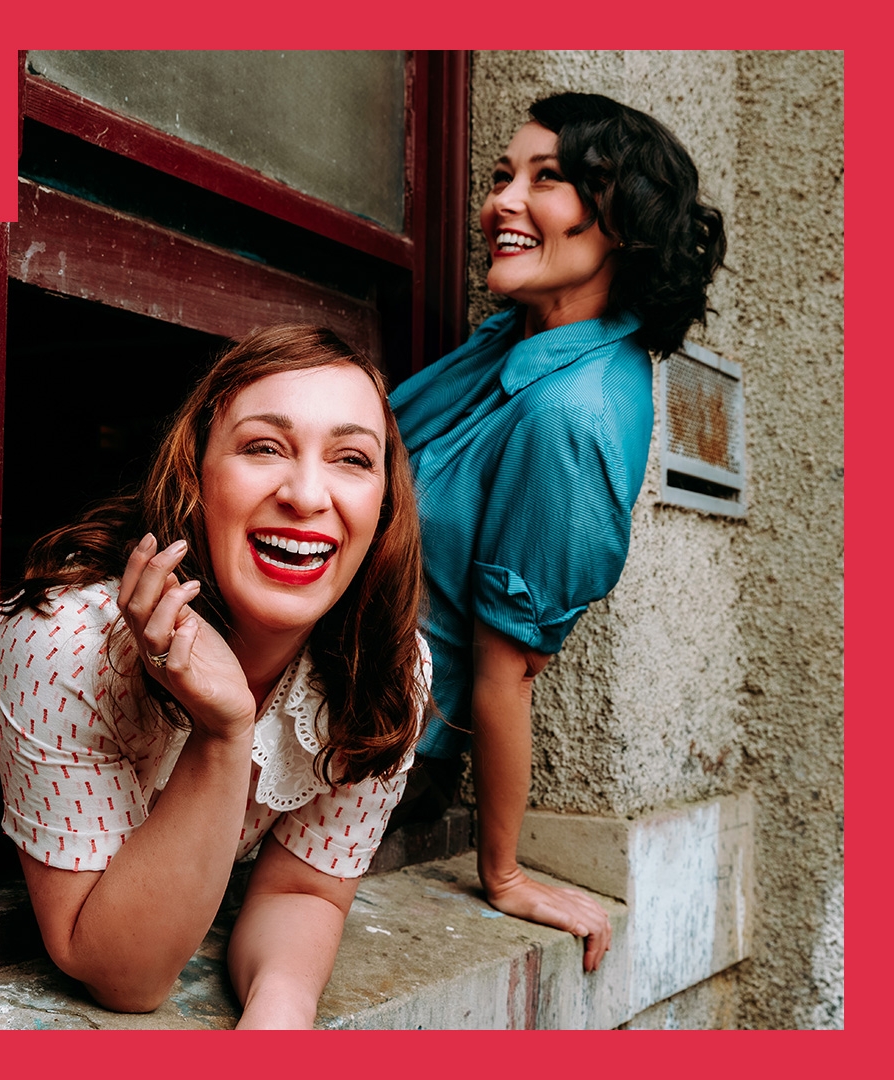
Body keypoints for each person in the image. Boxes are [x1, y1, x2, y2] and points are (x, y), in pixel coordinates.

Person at [0, 325, 430, 1028]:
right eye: (264, 447)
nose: (308, 494)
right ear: (195, 475)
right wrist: (224, 732)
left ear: (384, 505)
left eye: (351, 458)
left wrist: (279, 1013)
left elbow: (303, 893)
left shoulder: (386, 666)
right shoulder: (65, 639)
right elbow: (123, 974)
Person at [390, 92, 727, 973]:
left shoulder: (572, 415)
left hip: (365, 740)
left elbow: (507, 675)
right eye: (503, 175)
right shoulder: (516, 337)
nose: (502, 199)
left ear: (620, 221)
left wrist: (502, 875)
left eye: (547, 179)